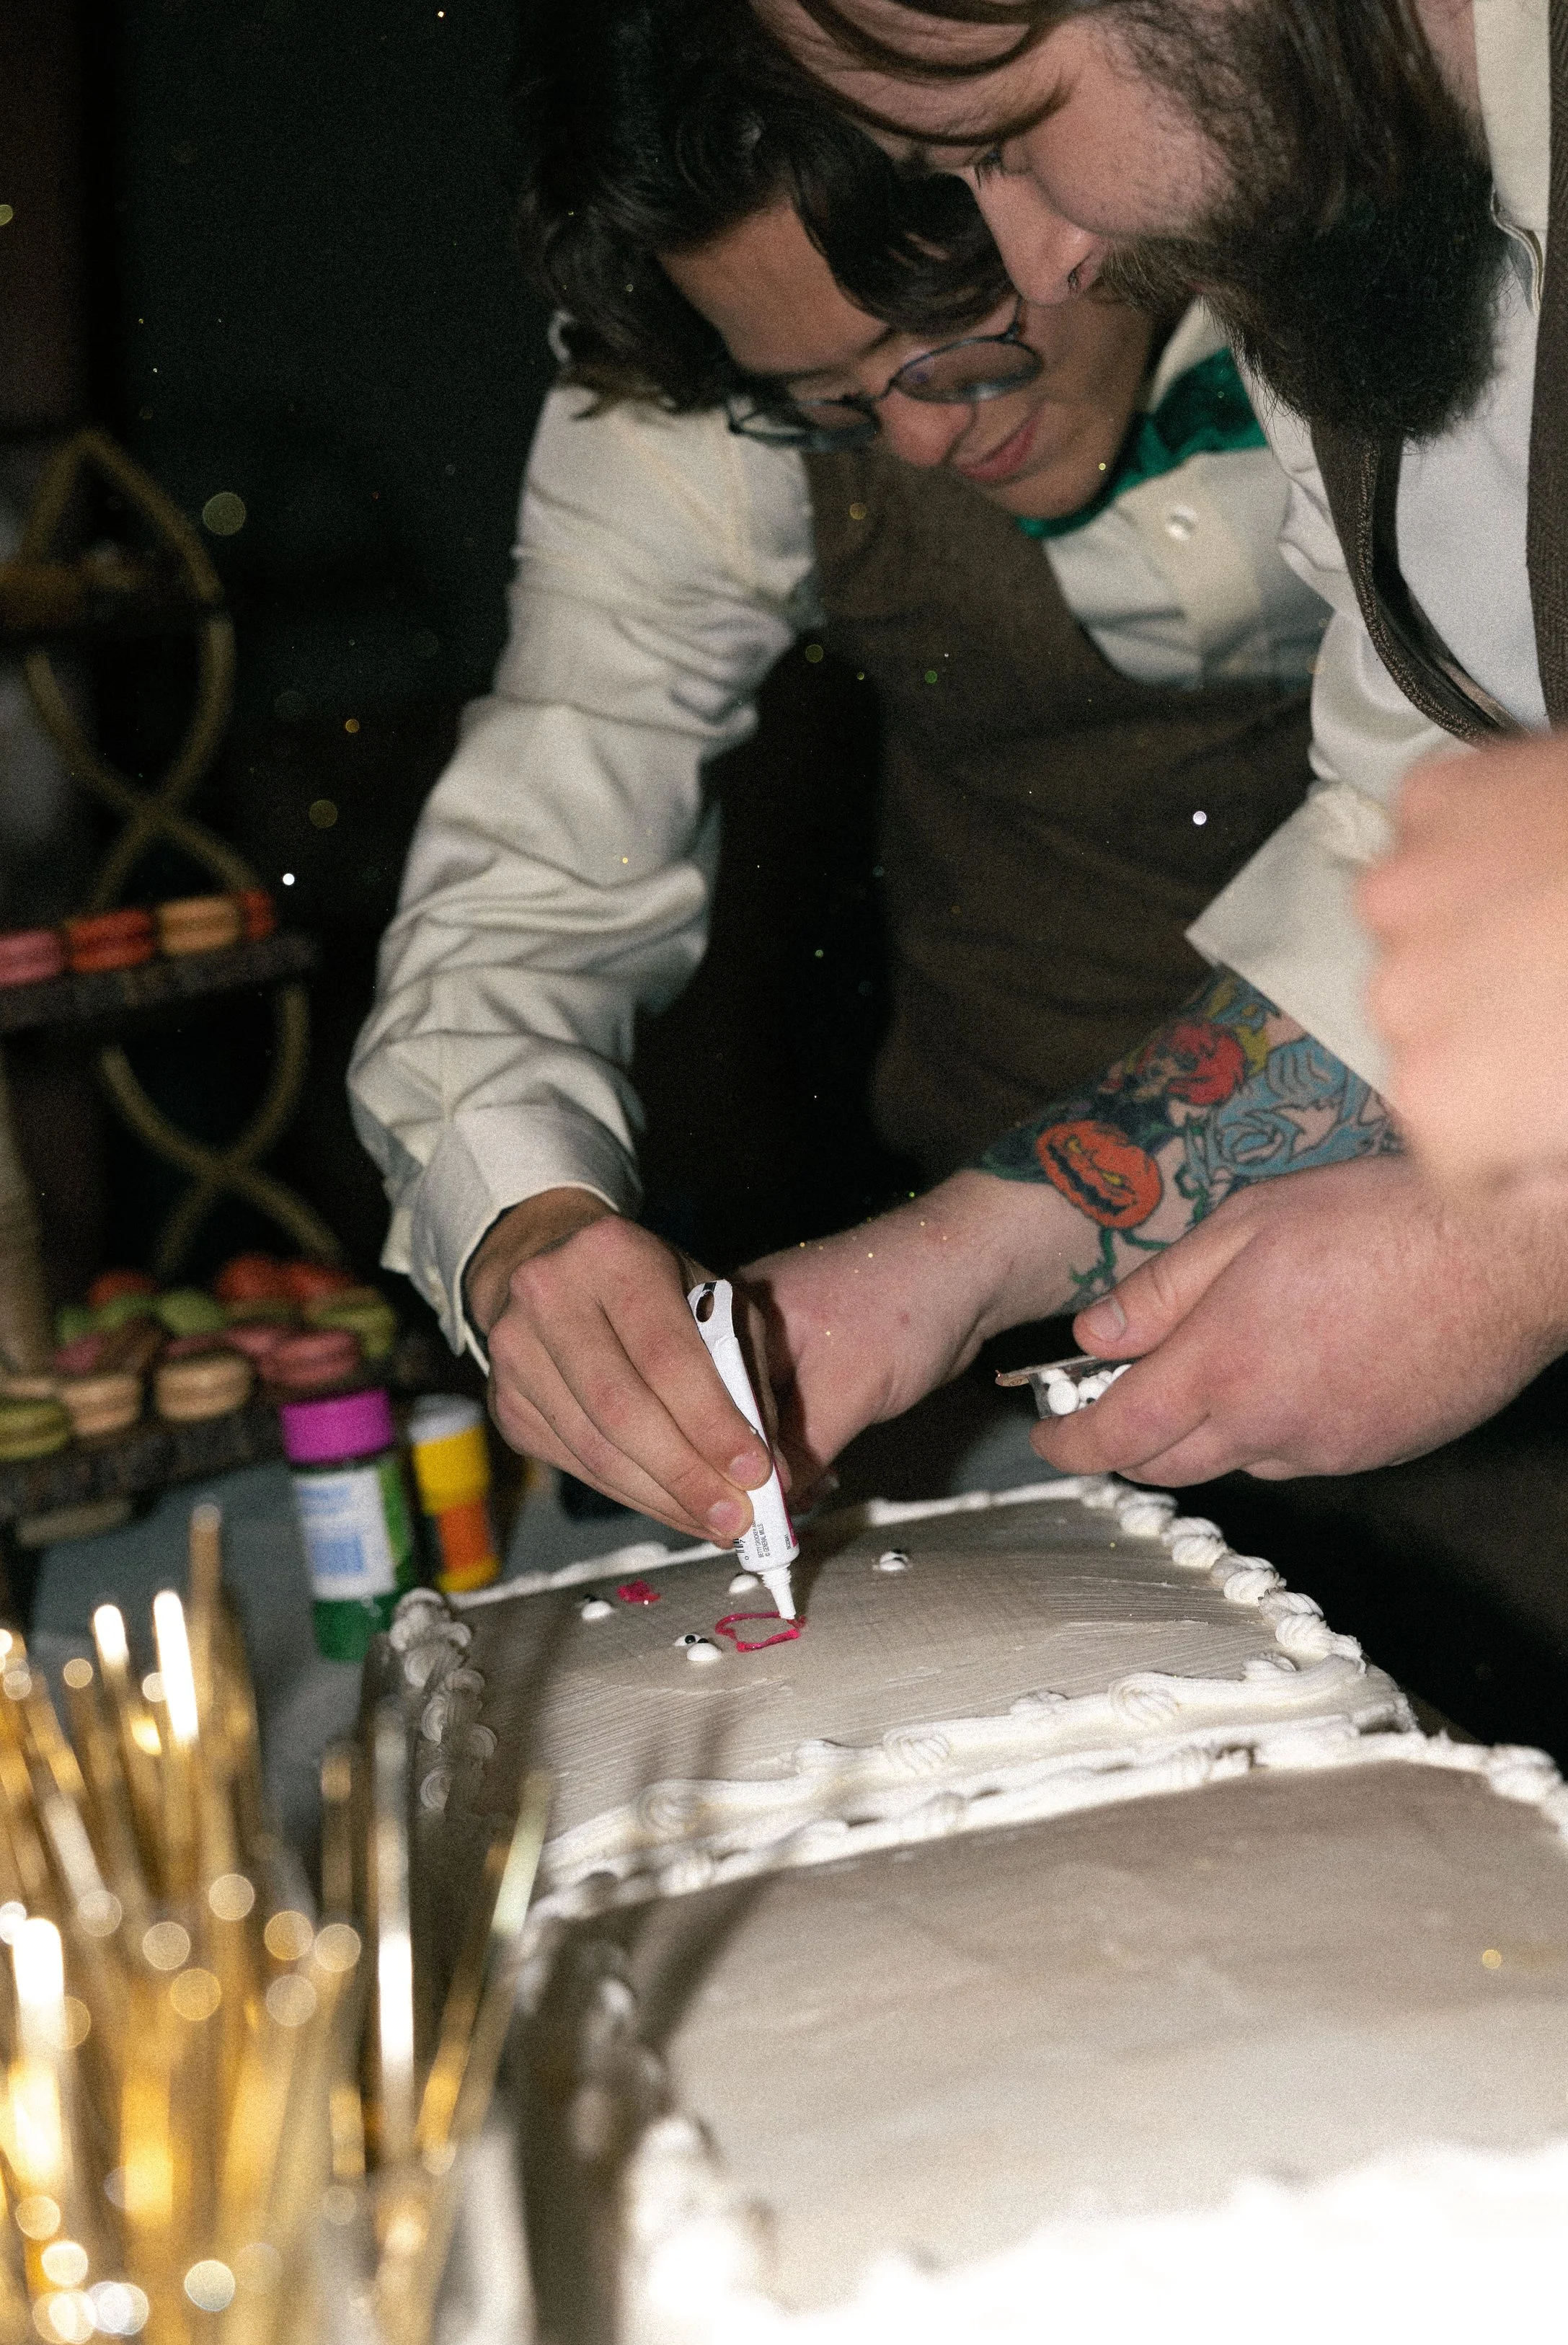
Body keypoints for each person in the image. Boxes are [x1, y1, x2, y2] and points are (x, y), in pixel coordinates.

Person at [719, 0, 1568, 1851]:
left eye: (1008, 134)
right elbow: (1399, 826)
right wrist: (962, 1260)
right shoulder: (1329, 190)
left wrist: (1523, 1268)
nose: (1045, 253)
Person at [347, 0, 1331, 1543]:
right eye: (824, 401)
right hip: (1015, 1293)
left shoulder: (1347, 201)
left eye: (940, 342)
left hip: (1503, 1216)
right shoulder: (686, 413)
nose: (919, 445)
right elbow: (532, 887)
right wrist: (525, 1220)